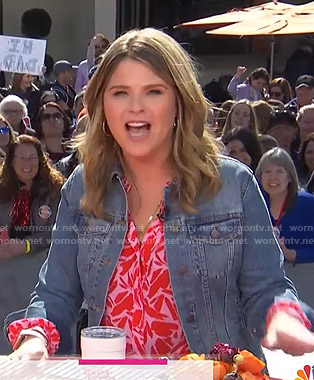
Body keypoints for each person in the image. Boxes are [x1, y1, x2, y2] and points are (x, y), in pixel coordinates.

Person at [6, 28, 314, 361]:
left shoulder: (232, 184)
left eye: (153, 91)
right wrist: (35, 336)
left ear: (180, 101)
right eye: (120, 92)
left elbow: (266, 288)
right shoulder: (82, 185)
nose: (135, 107)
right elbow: (57, 293)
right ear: (102, 105)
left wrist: (283, 318)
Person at [0, 135, 64, 353]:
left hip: (38, 268)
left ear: (41, 159)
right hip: (6, 270)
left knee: (33, 321)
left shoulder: (55, 190)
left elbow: (56, 232)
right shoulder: (2, 190)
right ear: (11, 161)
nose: (27, 164)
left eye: (32, 158)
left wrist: (26, 245)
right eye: (21, 158)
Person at [256, 147, 314, 309]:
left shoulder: (308, 204)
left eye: (279, 171)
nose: (273, 177)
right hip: (264, 286)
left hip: (305, 283)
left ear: (290, 177)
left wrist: (292, 254)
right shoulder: (253, 205)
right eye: (267, 172)